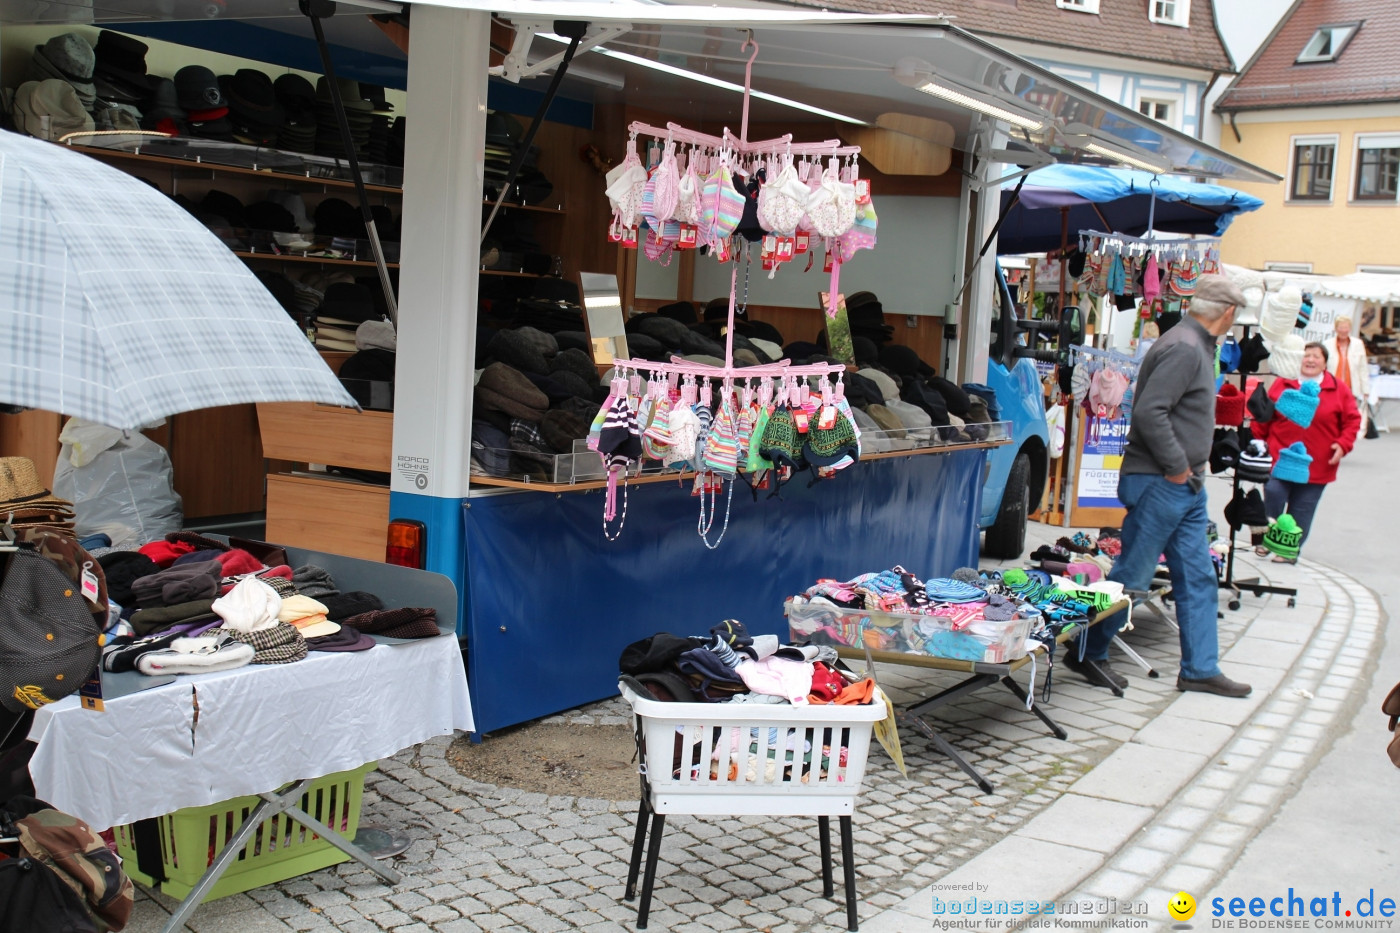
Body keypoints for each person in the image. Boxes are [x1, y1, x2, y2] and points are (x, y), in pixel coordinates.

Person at [1064, 274, 1253, 698]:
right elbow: (1150, 413)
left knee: (1198, 576)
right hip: (1163, 479)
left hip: (1181, 482)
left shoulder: (1190, 343)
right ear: (1227, 313)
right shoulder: (1185, 347)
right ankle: (1086, 650)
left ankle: (1200, 669)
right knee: (1133, 575)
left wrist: (1184, 473)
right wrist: (1176, 467)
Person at [1252, 342, 1360, 563]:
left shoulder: (1338, 389)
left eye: (1316, 356)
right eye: (1305, 356)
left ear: (1325, 362)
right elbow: (1264, 417)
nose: (1310, 360)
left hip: (1318, 462)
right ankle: (1266, 539)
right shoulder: (1283, 384)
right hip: (1278, 456)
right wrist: (1258, 443)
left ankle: (1287, 550)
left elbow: (1352, 420)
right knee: (1273, 493)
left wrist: (1343, 444)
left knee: (1302, 508)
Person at [1323, 315, 1370, 441]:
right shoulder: (1327, 344)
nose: (1343, 330)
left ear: (1350, 328)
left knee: (1347, 414)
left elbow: (1362, 367)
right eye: (1341, 327)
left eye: (1346, 327)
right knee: (1332, 413)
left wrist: (1365, 389)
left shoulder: (1358, 344)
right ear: (1336, 328)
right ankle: (1332, 436)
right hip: (1332, 386)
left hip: (1351, 387)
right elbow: (1323, 367)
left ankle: (1343, 438)